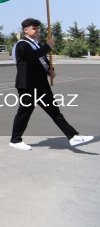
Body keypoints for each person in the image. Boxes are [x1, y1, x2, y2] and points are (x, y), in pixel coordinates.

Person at [9, 18, 93, 150]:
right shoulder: (22, 44)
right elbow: (33, 56)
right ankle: (15, 140)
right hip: (28, 85)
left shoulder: (36, 43)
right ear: (26, 30)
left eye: (38, 28)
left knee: (54, 111)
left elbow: (43, 59)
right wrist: (48, 46)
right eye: (33, 28)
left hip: (41, 84)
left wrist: (50, 70)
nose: (36, 30)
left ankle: (73, 136)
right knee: (24, 112)